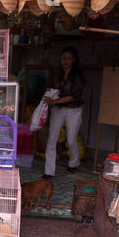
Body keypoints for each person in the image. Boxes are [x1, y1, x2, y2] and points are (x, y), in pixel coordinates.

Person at [42, 46, 86, 179]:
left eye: (69, 59)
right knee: (51, 139)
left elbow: (73, 96)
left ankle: (73, 163)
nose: (65, 61)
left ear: (74, 60)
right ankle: (49, 171)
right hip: (58, 110)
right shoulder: (57, 73)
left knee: (71, 139)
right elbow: (50, 86)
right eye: (63, 58)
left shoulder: (78, 76)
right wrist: (49, 92)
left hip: (73, 110)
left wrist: (55, 102)